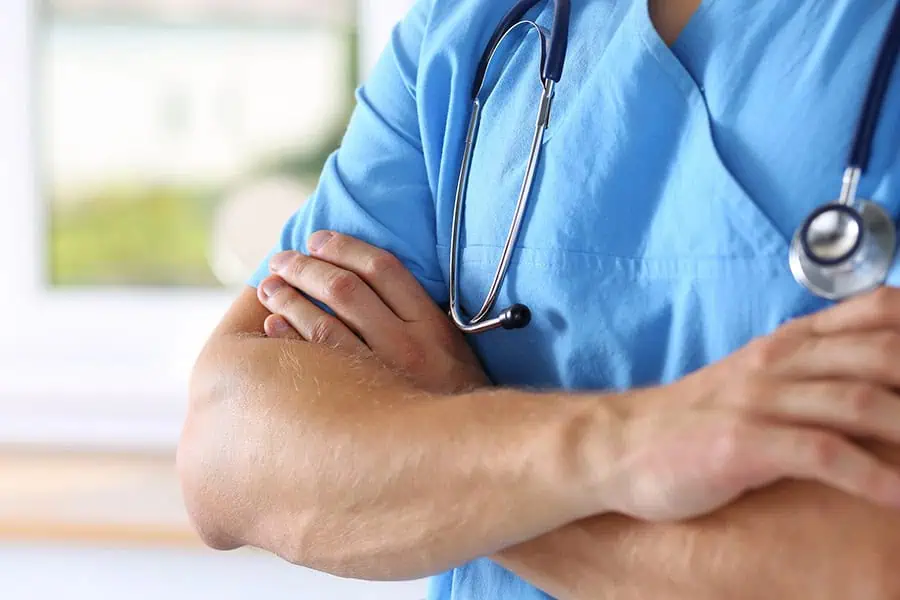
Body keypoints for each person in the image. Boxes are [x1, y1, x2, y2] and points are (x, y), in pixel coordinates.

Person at [177, 0, 900, 598]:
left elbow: (868, 567)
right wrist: (624, 443)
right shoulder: (471, 28)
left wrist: (454, 425)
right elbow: (229, 449)